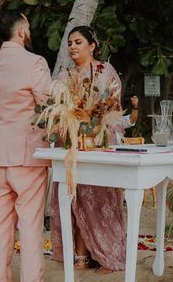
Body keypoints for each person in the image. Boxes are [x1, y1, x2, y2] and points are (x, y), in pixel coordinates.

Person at [0, 9, 51, 282]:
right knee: (30, 225)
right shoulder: (35, 63)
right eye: (29, 28)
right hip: (28, 154)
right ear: (21, 32)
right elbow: (47, 105)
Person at [50, 25, 126, 273]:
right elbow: (58, 111)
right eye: (70, 42)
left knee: (101, 201)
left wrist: (96, 127)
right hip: (73, 146)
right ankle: (81, 256)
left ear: (92, 45)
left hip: (99, 145)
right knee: (76, 199)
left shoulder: (105, 71)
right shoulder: (63, 76)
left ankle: (107, 255)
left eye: (78, 42)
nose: (72, 46)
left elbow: (114, 108)